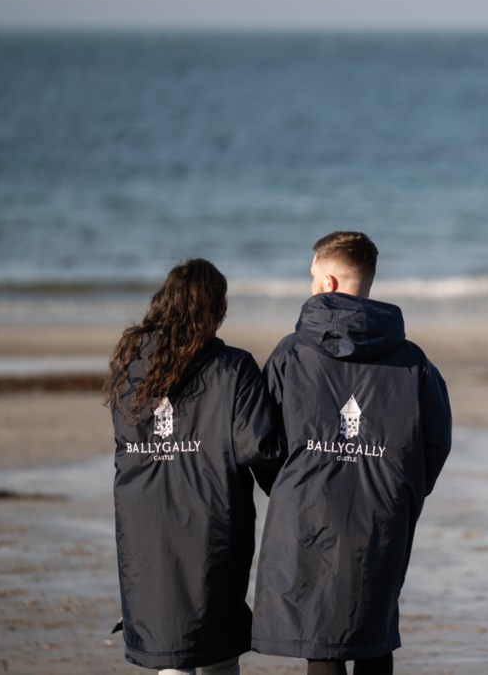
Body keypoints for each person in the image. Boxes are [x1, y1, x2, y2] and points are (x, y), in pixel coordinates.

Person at [251, 231, 453, 675]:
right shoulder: (412, 361)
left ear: (328, 282)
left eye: (310, 277)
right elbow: (437, 442)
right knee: (372, 632)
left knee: (321, 638)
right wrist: (402, 489)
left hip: (308, 510)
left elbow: (261, 441)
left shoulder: (291, 353)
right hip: (380, 511)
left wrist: (290, 487)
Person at [106, 258, 284, 675]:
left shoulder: (129, 364)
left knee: (170, 641)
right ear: (216, 310)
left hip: (144, 517)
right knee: (216, 644)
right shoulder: (234, 367)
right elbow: (257, 447)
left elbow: (125, 441)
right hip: (211, 515)